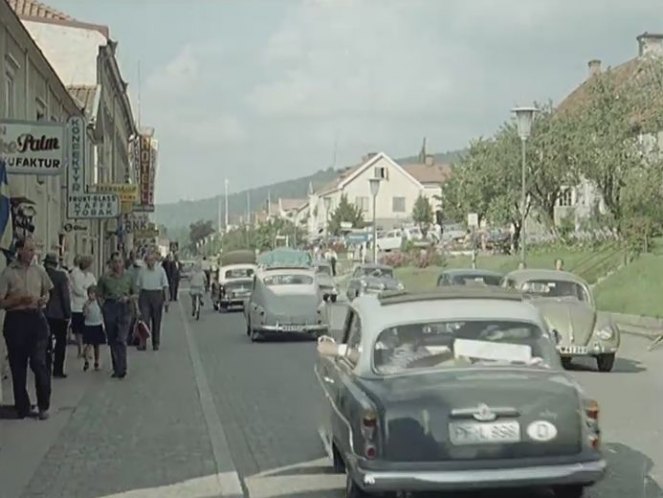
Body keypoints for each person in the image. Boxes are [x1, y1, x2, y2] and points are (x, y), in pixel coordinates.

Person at [0, 238, 54, 420]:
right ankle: (22, 407)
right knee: (18, 365)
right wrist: (16, 300)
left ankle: (43, 405)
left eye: (34, 250)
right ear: (20, 251)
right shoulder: (8, 273)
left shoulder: (40, 271)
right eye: (29, 250)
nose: (32, 253)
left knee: (39, 362)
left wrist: (44, 299)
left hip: (36, 319)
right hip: (16, 320)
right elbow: (1, 301)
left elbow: (47, 291)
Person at [97, 252, 137, 379]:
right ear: (111, 263)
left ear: (123, 263)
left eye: (120, 261)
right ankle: (116, 367)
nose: (118, 264)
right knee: (113, 339)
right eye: (115, 262)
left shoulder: (129, 277)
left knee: (122, 338)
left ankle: (122, 368)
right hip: (110, 307)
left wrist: (128, 298)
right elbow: (99, 294)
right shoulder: (104, 278)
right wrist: (102, 307)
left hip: (125, 308)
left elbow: (136, 293)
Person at [43, 253, 72, 378]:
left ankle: (46, 367)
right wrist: (68, 313)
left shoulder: (42, 274)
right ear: (56, 263)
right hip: (59, 314)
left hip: (44, 313)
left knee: (45, 341)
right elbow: (65, 296)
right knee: (61, 342)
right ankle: (58, 370)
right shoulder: (61, 276)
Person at [136, 251, 169, 351]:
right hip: (145, 295)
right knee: (144, 320)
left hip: (157, 295)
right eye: (149, 260)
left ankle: (156, 342)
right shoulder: (142, 271)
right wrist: (137, 300)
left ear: (155, 260)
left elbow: (165, 286)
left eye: (152, 260)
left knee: (156, 320)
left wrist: (166, 300)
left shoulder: (161, 270)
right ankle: (143, 342)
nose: (150, 262)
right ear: (146, 261)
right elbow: (138, 286)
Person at [69, 255, 96, 358]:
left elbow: (94, 287)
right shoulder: (76, 275)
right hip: (78, 306)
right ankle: (80, 349)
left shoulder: (91, 276)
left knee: (89, 328)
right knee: (78, 330)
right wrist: (87, 293)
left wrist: (91, 293)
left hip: (89, 306)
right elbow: (77, 289)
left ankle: (88, 349)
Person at [82, 285, 106, 371]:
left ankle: (96, 361)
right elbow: (84, 314)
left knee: (97, 345)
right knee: (88, 344)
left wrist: (104, 325)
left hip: (97, 324)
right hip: (88, 325)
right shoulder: (86, 303)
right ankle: (86, 361)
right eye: (90, 294)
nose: (91, 296)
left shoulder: (99, 303)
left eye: (93, 294)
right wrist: (86, 308)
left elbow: (102, 313)